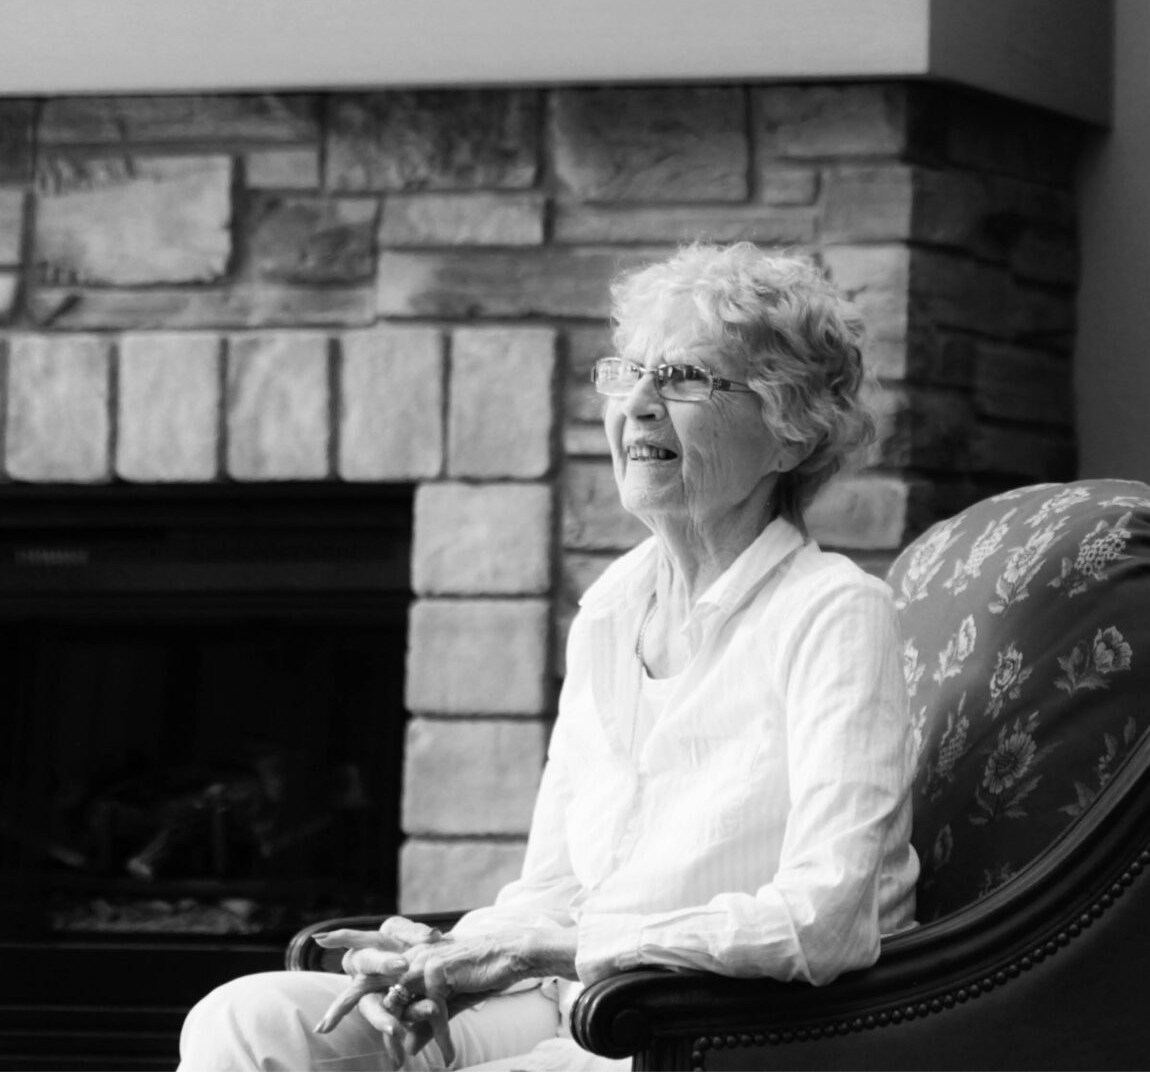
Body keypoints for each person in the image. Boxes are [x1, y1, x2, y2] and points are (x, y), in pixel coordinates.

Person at [179, 244, 919, 1070]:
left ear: (790, 434)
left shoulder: (834, 613)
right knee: (245, 1020)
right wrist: (444, 956)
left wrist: (546, 950)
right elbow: (554, 889)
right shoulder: (611, 609)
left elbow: (826, 920)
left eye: (684, 378)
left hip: (706, 1029)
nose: (637, 404)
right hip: (564, 1005)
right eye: (628, 373)